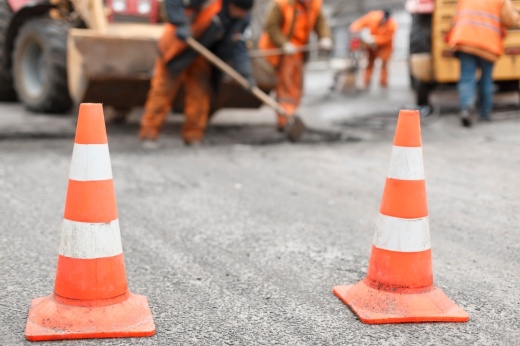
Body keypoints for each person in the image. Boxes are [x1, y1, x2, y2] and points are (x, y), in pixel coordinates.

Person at [139, 0, 255, 146]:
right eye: (241, 11)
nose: (243, 15)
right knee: (162, 92)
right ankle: (149, 135)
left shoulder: (241, 20)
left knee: (199, 96)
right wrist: (180, 23)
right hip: (177, 48)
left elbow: (239, 47)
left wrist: (245, 75)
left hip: (201, 54)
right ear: (232, 5)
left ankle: (193, 136)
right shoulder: (209, 3)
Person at [258, 0, 332, 131]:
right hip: (281, 52)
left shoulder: (314, 4)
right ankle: (285, 120)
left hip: (299, 52)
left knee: (296, 87)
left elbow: (320, 22)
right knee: (285, 87)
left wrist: (324, 37)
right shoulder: (281, 4)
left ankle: (290, 115)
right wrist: (284, 43)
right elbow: (271, 27)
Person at [448, 0, 520, 127]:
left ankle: (466, 108)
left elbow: (456, 18)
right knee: (486, 79)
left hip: (465, 40)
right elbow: (510, 20)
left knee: (467, 77)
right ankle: (485, 113)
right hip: (488, 44)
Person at [349, 9, 397, 90]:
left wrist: (375, 40)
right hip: (371, 46)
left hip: (384, 47)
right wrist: (354, 29)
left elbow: (388, 38)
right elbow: (361, 22)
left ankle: (383, 83)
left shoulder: (392, 25)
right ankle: (366, 82)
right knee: (370, 63)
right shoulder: (373, 17)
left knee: (384, 64)